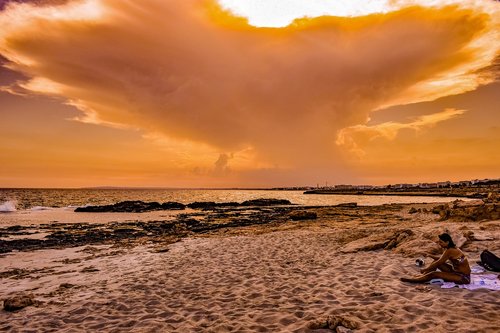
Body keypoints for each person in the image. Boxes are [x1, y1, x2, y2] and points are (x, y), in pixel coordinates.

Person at [400, 233, 471, 284]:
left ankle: (416, 279)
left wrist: (425, 269)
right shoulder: (450, 248)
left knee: (434, 274)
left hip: (463, 277)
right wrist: (430, 255)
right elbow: (440, 259)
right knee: (436, 261)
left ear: (447, 242)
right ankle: (424, 276)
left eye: (441, 242)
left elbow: (439, 263)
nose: (439, 243)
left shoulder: (450, 250)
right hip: (455, 271)